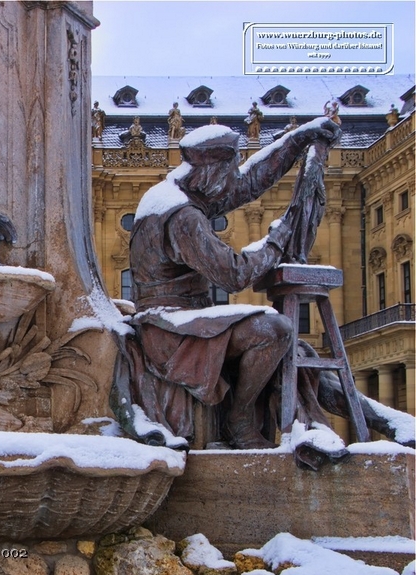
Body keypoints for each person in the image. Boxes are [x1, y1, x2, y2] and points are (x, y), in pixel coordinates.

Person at [111, 118, 413, 467]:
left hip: (186, 324)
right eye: (229, 171)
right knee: (275, 331)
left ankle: (388, 421)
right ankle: (240, 421)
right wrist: (277, 240)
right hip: (170, 331)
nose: (232, 182)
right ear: (211, 170)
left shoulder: (177, 193)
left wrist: (296, 140)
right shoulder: (182, 216)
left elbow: (249, 183)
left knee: (297, 354)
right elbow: (234, 275)